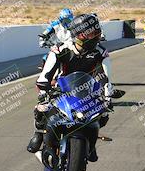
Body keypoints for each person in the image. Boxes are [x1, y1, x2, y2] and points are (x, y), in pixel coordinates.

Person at [27, 13, 113, 162]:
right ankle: (39, 134)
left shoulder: (101, 53)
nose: (96, 37)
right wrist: (44, 87)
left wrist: (107, 95)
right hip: (61, 90)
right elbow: (46, 73)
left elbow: (105, 76)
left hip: (88, 92)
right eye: (92, 34)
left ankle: (90, 145)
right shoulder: (61, 50)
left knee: (104, 114)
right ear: (80, 35)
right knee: (41, 108)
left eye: (97, 33)